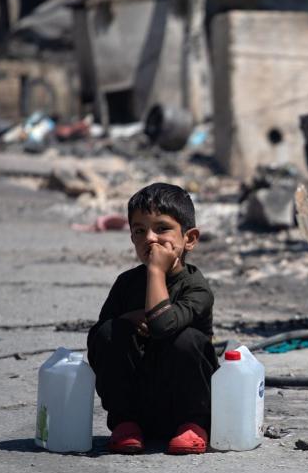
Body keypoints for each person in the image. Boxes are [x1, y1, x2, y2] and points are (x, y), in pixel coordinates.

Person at [87, 183, 217, 454]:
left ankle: (196, 425)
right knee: (109, 332)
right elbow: (98, 341)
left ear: (189, 239)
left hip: (183, 402)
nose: (150, 238)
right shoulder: (126, 283)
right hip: (140, 404)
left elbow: (162, 325)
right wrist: (128, 319)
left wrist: (156, 272)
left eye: (162, 228)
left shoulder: (196, 287)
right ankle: (126, 423)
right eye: (139, 230)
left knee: (187, 339)